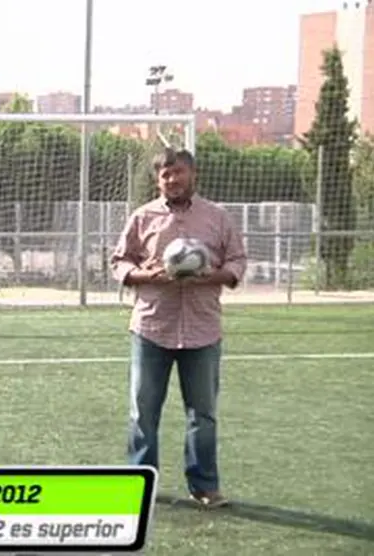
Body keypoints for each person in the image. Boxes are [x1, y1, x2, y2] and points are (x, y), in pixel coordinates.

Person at [110, 148, 247, 509]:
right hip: (152, 327)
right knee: (143, 412)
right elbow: (119, 261)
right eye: (165, 175)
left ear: (192, 174)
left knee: (203, 413)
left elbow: (237, 259)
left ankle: (204, 486)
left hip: (203, 329)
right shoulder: (143, 217)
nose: (172, 180)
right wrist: (145, 275)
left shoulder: (217, 217)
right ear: (158, 180)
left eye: (179, 172)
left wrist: (213, 275)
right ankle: (140, 484)